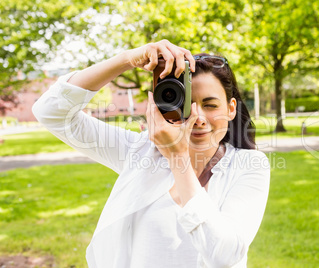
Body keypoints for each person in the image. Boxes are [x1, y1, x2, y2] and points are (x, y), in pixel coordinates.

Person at [32, 40, 270, 268]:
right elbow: (51, 111)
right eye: (185, 104)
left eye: (210, 105)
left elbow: (224, 256)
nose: (198, 117)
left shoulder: (249, 165)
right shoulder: (140, 152)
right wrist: (127, 59)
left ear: (230, 109)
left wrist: (178, 159)